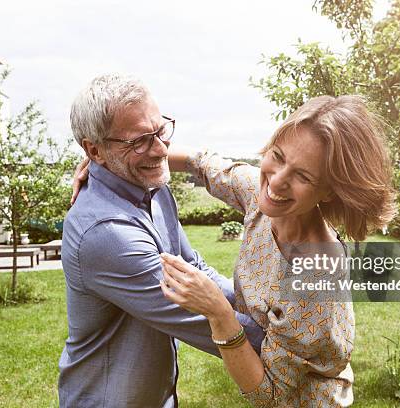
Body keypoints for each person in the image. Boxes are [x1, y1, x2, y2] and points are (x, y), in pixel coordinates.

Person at [158, 95, 396, 407]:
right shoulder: (259, 196)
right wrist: (111, 163)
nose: (278, 181)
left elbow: (271, 397)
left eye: (303, 176)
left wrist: (219, 312)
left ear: (328, 191)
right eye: (279, 156)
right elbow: (198, 162)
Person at [58, 73, 265, 408]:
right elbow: (199, 313)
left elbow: (196, 272)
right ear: (94, 150)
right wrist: (297, 343)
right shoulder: (106, 233)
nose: (160, 149)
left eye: (160, 131)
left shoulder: (152, 189)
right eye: (139, 141)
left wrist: (266, 310)